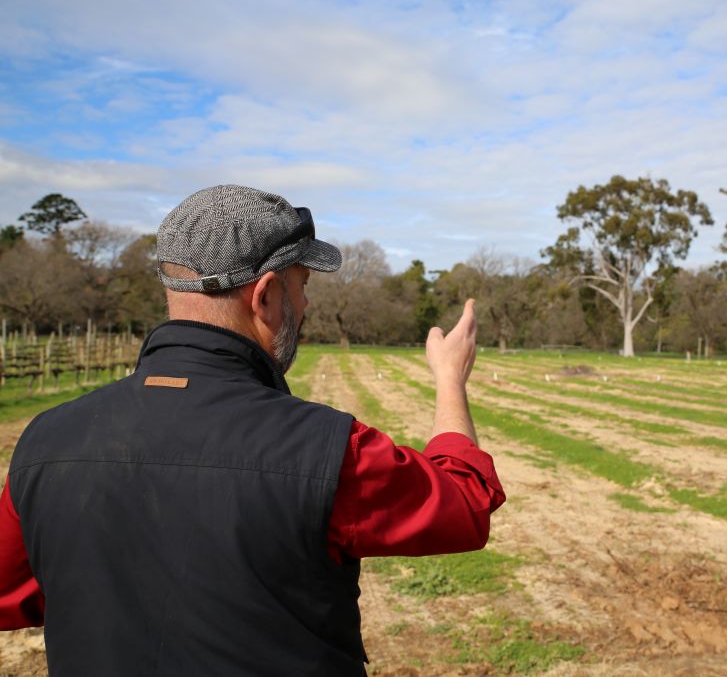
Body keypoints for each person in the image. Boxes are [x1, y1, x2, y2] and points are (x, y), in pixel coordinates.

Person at [0, 184, 505, 675]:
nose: (306, 306)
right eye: (302, 285)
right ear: (264, 295)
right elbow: (464, 503)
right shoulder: (326, 451)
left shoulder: (45, 441)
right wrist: (449, 380)